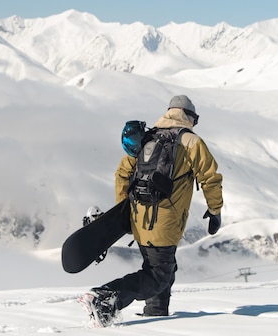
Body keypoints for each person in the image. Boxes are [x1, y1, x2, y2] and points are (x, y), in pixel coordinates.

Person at [79, 95, 223, 326]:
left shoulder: (147, 139)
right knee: (157, 277)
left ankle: (156, 315)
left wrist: (122, 210)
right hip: (164, 222)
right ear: (190, 117)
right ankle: (104, 298)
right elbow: (210, 178)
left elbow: (122, 173)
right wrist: (214, 211)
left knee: (162, 268)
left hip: (139, 220)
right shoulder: (190, 142)